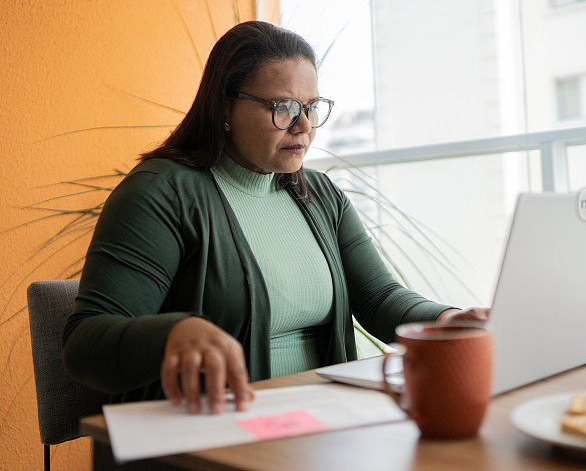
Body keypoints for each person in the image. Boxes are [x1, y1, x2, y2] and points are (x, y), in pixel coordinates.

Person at [62, 21, 488, 415]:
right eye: (282, 107)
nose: (303, 126)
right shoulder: (161, 192)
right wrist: (174, 331)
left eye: (311, 106)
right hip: (209, 430)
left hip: (317, 422)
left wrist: (447, 320)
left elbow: (377, 298)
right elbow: (85, 345)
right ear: (225, 108)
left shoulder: (319, 193)